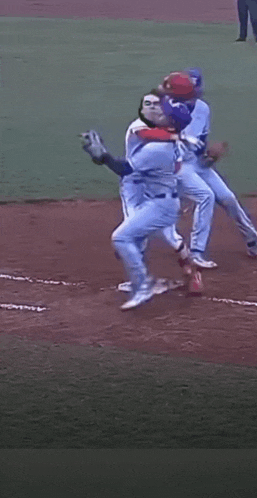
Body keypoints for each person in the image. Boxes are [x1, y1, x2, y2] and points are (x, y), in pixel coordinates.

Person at [80, 95, 204, 310]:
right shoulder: (169, 138)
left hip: (151, 193)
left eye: (161, 110)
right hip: (158, 193)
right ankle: (161, 277)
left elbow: (125, 168)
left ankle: (145, 283)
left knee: (125, 238)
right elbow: (150, 133)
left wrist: (103, 157)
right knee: (140, 235)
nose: (157, 111)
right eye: (151, 105)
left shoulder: (159, 146)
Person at [159, 68, 257, 264]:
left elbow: (200, 143)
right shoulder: (168, 109)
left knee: (227, 198)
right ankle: (196, 252)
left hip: (196, 163)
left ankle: (252, 241)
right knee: (206, 196)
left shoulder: (203, 109)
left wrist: (210, 156)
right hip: (176, 165)